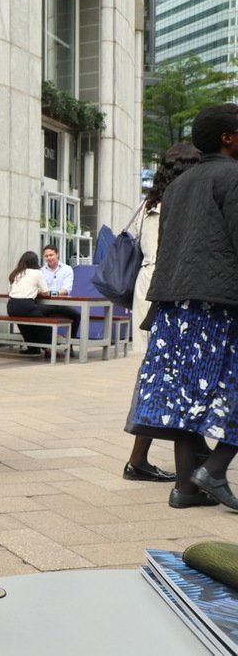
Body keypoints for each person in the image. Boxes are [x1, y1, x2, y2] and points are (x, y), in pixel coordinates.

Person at [128, 103, 238, 510]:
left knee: (185, 394)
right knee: (223, 387)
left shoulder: (177, 186)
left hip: (174, 304)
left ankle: (185, 488)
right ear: (228, 138)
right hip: (218, 304)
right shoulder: (233, 176)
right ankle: (214, 469)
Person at [123, 142, 203, 482]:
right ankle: (180, 461)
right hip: (168, 289)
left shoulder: (148, 203)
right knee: (163, 374)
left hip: (149, 287)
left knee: (158, 372)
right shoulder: (183, 202)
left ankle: (142, 459)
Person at [5, 252, 53, 355]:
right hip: (26, 305)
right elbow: (46, 292)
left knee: (24, 321)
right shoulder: (37, 273)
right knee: (47, 317)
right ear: (36, 261)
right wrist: (36, 291)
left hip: (11, 307)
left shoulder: (15, 273)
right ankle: (49, 347)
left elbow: (9, 292)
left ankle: (33, 348)